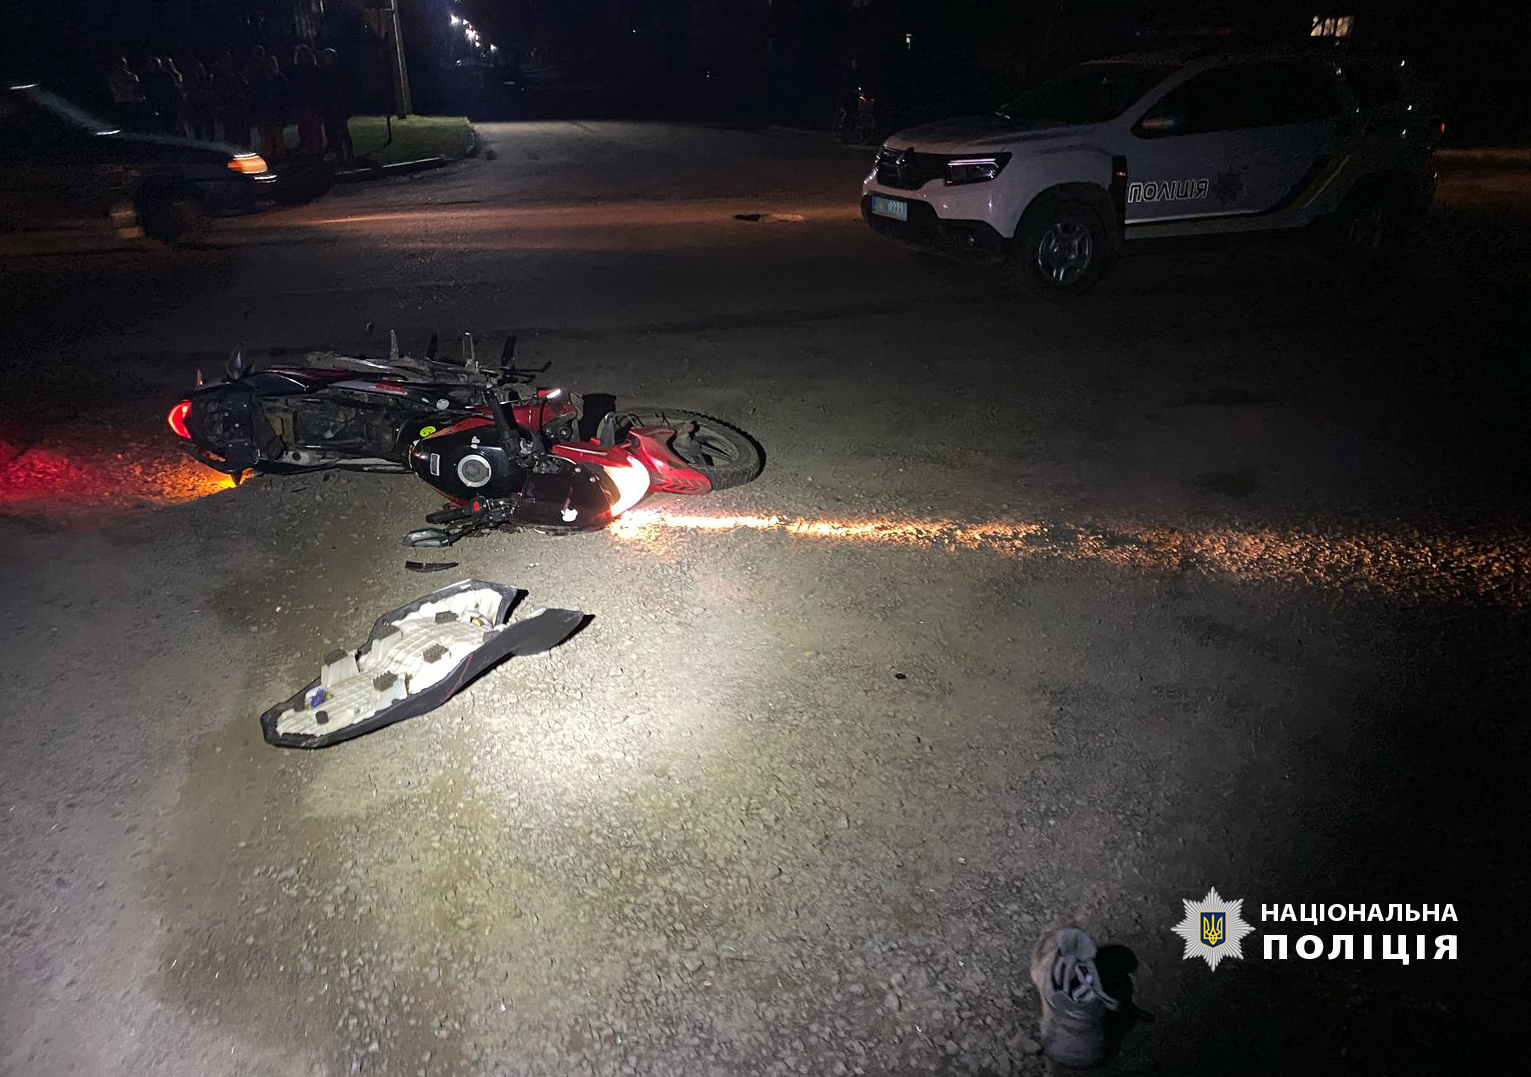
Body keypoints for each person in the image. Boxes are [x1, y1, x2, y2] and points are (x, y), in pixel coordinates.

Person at [318, 48, 354, 162]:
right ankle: (339, 152)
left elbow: (340, 90)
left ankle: (345, 152)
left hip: (337, 106)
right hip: (331, 106)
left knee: (341, 129)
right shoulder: (327, 72)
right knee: (333, 130)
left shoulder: (336, 72)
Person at [253, 54, 289, 162]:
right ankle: (269, 157)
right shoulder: (261, 79)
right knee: (266, 138)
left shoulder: (280, 79)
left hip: (276, 113)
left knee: (277, 137)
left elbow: (284, 96)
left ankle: (279, 156)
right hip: (265, 113)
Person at [289, 45, 323, 155]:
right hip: (304, 103)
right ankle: (310, 149)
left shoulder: (312, 70)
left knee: (312, 129)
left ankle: (314, 150)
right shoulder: (298, 70)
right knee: (305, 128)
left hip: (312, 103)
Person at [213, 51, 249, 147]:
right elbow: (217, 94)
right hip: (227, 113)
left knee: (241, 138)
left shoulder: (236, 76)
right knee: (229, 139)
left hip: (238, 112)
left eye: (227, 61)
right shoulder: (219, 78)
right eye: (223, 61)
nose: (226, 64)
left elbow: (245, 88)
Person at [107, 56, 144, 131]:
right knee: (122, 113)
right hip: (121, 98)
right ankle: (122, 126)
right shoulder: (115, 77)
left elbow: (137, 87)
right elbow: (113, 88)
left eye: (122, 64)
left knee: (129, 114)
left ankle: (129, 126)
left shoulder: (132, 76)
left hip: (129, 98)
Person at [187, 61, 217, 141]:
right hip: (196, 104)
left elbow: (209, 87)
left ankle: (211, 140)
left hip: (206, 104)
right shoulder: (192, 79)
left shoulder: (208, 76)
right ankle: (198, 139)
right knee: (197, 125)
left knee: (209, 124)